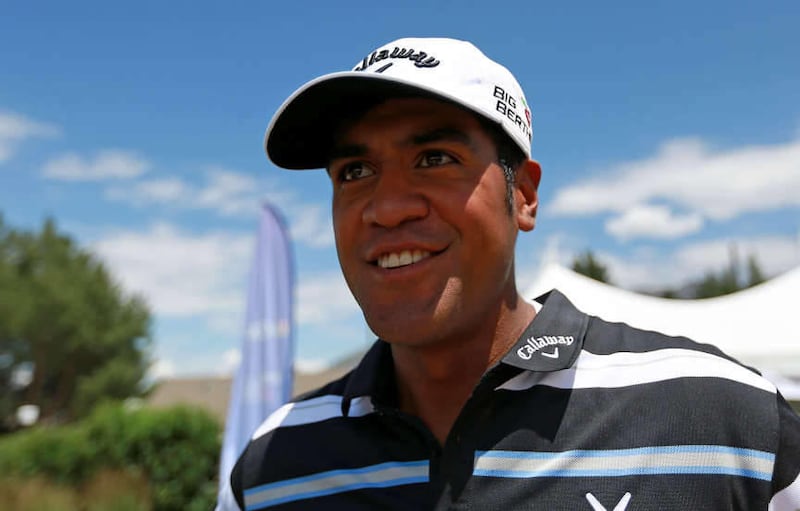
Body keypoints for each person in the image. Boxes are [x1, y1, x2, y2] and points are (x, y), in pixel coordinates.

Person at [219, 37, 800, 510]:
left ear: (522, 195)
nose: (387, 206)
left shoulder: (721, 419)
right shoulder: (274, 464)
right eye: (355, 171)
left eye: (435, 159)